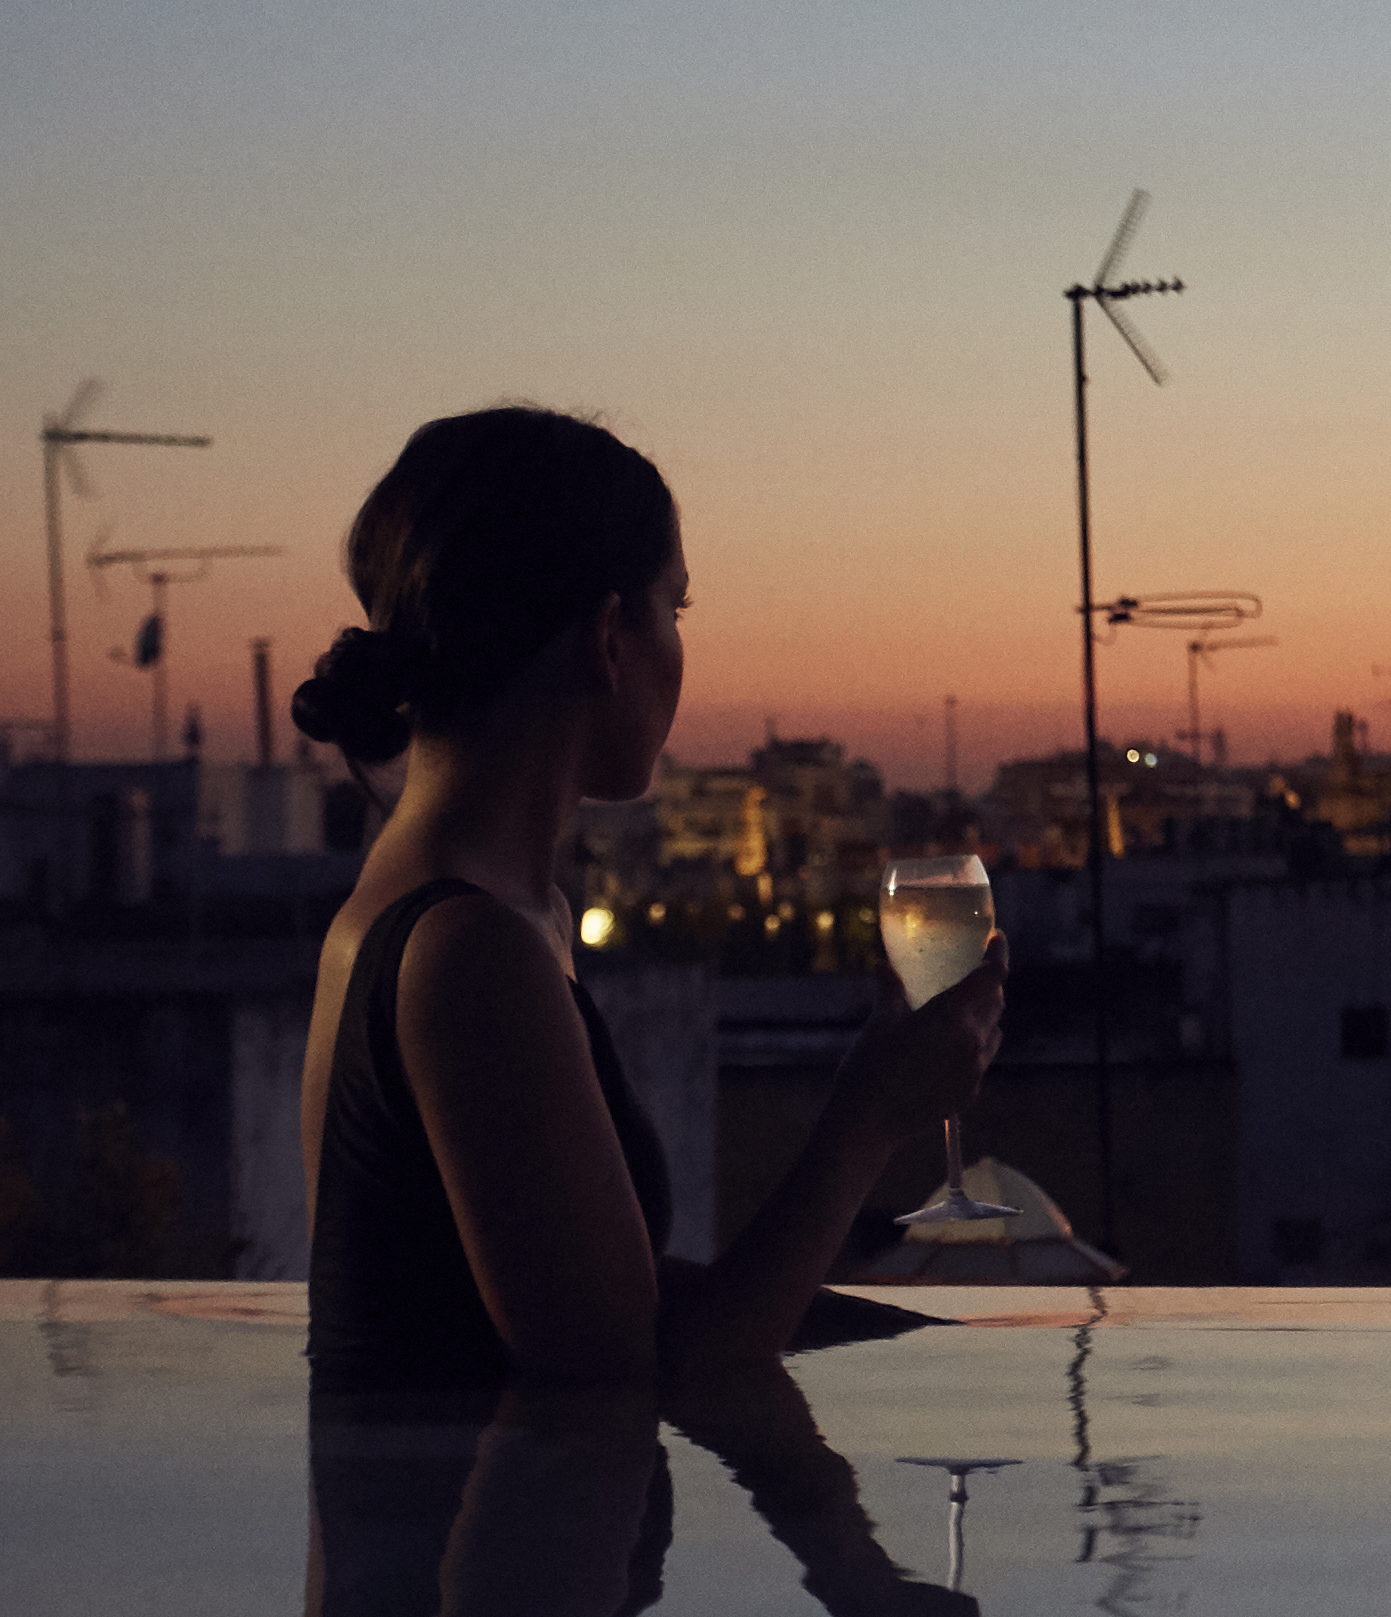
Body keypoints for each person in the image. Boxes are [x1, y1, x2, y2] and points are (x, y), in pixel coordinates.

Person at [289, 405, 1003, 1390]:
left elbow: (594, 1294)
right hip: (470, 1543)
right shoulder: (471, 950)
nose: (680, 646)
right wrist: (871, 1116)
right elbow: (629, 1369)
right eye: (678, 609)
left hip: (468, 1538)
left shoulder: (465, 911)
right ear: (610, 637)